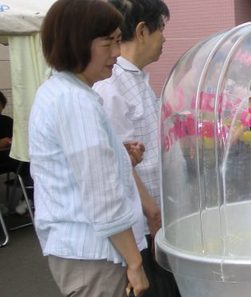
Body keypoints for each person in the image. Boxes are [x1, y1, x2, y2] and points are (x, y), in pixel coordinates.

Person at [29, 0, 149, 296]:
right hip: (95, 253)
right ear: (76, 42)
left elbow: (75, 168)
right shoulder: (76, 101)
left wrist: (117, 154)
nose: (117, 54)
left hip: (79, 249)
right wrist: (135, 262)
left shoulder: (60, 90)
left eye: (119, 41)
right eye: (108, 43)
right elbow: (102, 194)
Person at [91, 0, 180, 296]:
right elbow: (116, 165)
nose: (165, 38)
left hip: (155, 222)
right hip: (140, 230)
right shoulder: (110, 86)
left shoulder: (138, 80)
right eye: (162, 29)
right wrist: (153, 214)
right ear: (142, 31)